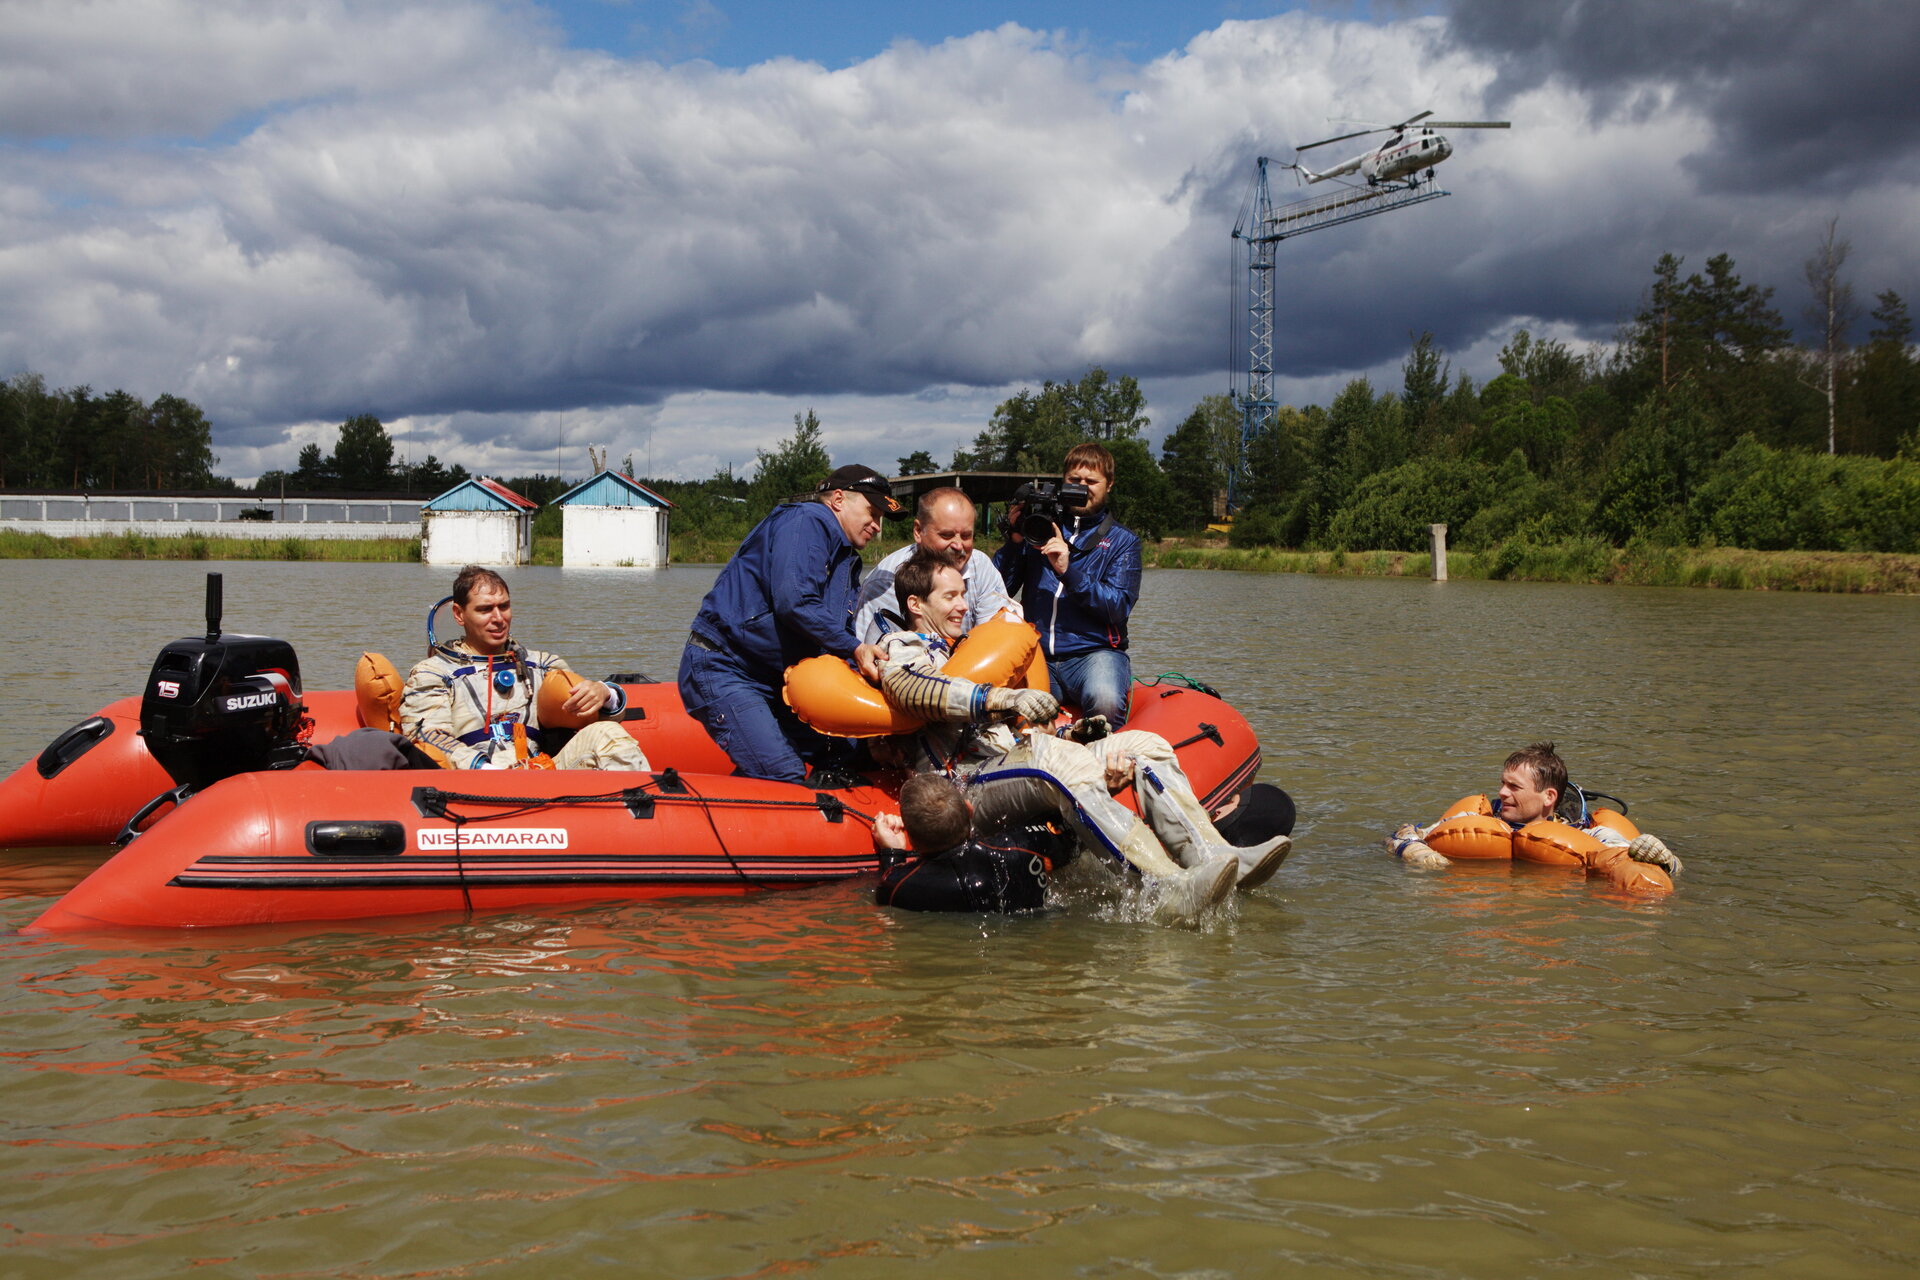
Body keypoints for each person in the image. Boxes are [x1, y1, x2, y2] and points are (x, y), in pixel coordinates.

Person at [872, 548, 1291, 925]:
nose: (964, 605)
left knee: (1145, 745)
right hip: (965, 781)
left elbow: (1016, 732)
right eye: (950, 597)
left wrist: (1072, 732)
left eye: (964, 594)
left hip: (1016, 762)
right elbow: (912, 689)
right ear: (915, 603)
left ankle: (1214, 854)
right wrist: (1002, 697)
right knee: (1053, 763)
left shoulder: (966, 646)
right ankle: (1164, 887)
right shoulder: (903, 646)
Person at [679, 463, 902, 783]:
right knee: (782, 772)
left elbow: (829, 631)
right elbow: (794, 603)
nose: (877, 526)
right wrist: (856, 649)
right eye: (872, 512)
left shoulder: (845, 556)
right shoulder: (809, 521)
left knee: (847, 753)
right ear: (839, 499)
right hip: (724, 665)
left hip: (774, 679)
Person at [401, 566, 649, 771]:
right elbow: (427, 737)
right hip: (473, 781)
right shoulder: (432, 673)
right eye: (485, 609)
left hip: (541, 771)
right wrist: (485, 769)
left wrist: (605, 694)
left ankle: (638, 819)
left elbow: (586, 717)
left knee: (608, 732)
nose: (498, 618)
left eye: (504, 606)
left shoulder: (542, 665)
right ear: (459, 614)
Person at [1387, 741, 1682, 886]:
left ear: (1548, 797)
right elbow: (1403, 833)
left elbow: (1633, 859)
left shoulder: (1590, 834)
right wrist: (1412, 850)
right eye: (1502, 784)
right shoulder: (1478, 822)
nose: (1502, 793)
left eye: (1514, 787)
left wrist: (1667, 861)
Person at [992, 442, 1141, 727]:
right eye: (1074, 480)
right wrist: (1014, 540)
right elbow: (999, 590)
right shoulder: (1038, 528)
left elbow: (1117, 607)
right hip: (1038, 654)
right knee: (1011, 709)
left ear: (1108, 484)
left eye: (1091, 481)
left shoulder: (1124, 541)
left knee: (1105, 699)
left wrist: (1067, 570)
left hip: (1094, 653)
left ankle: (1102, 764)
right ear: (1063, 482)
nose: (1082, 487)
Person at [871, 773, 1068, 913]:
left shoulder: (900, 887)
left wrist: (893, 850)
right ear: (970, 810)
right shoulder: (1019, 846)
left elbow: (887, 888)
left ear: (911, 840)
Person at [852, 486, 1014, 643]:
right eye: (946, 535)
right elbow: (869, 654)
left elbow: (998, 636)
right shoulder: (884, 583)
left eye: (966, 536)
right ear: (918, 531)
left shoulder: (980, 566)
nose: (958, 545)